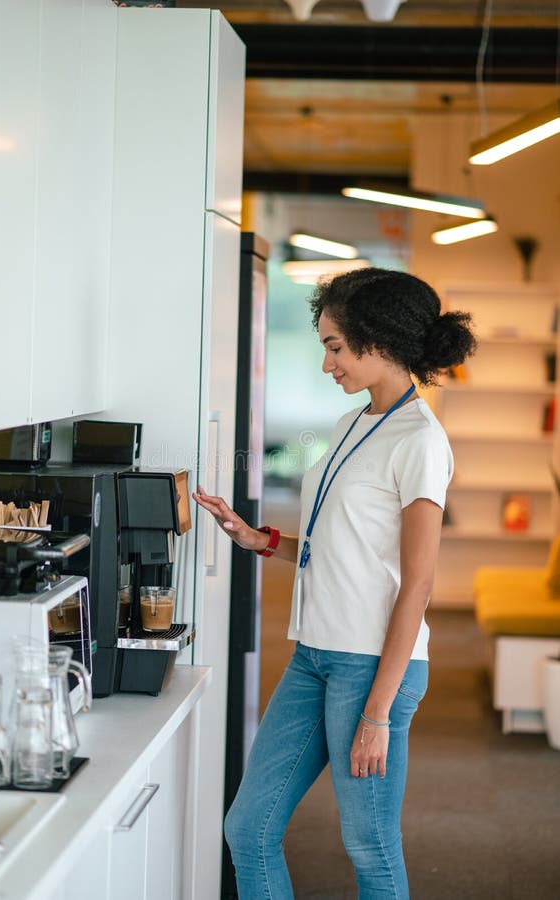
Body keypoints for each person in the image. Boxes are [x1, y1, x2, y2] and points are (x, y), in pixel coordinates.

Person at [193, 267, 477, 899]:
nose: (328, 363)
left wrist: (378, 712)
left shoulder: (420, 440)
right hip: (314, 656)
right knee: (248, 828)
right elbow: (342, 548)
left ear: (380, 343)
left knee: (369, 847)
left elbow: (418, 585)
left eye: (334, 346)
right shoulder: (357, 422)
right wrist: (260, 540)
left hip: (371, 667)